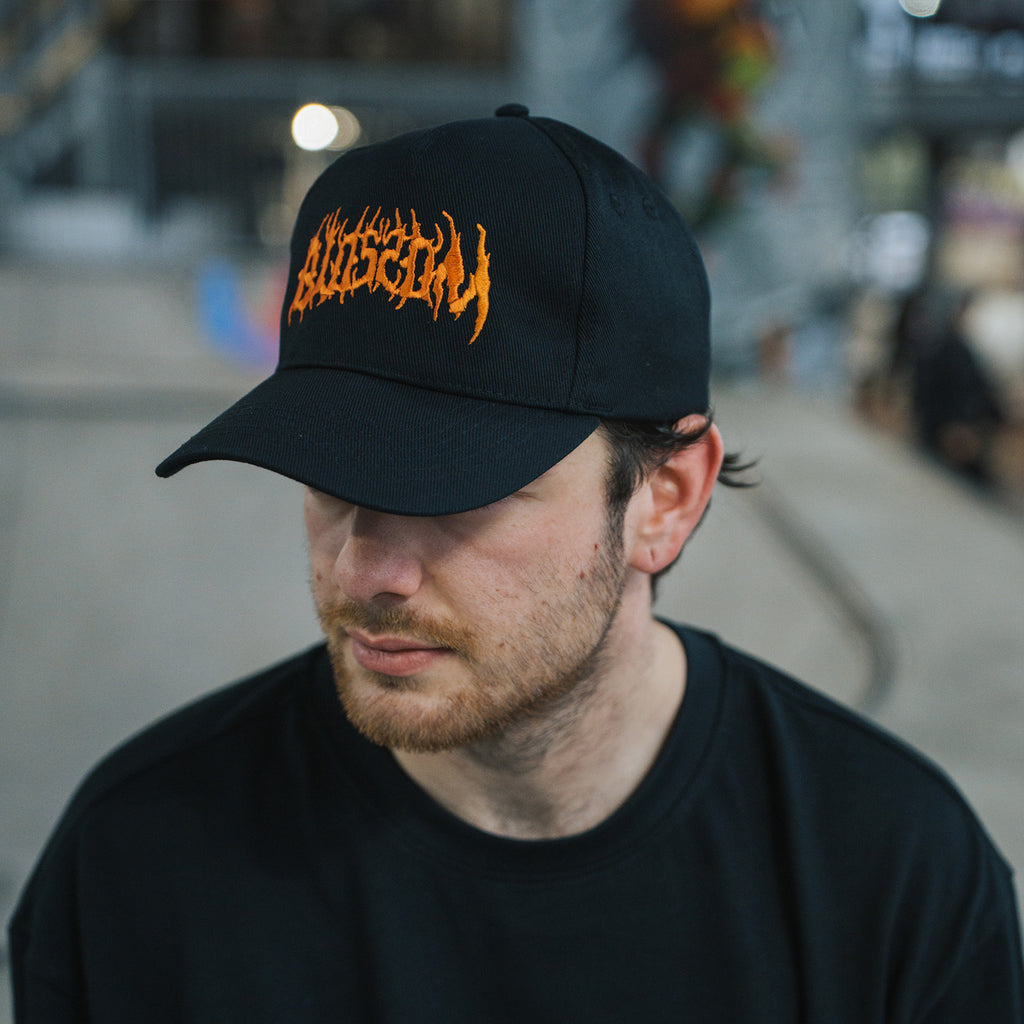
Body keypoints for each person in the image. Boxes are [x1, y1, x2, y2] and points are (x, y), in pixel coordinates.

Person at [8, 105, 1023, 1023]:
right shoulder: (136, 864)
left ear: (663, 500)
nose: (366, 568)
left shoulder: (892, 876)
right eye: (327, 477)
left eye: (456, 489)